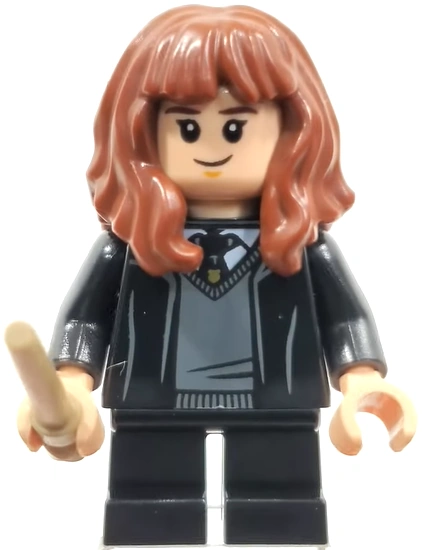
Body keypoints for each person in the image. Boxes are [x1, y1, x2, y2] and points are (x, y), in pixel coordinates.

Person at [14, 5, 416, 548]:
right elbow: (86, 319)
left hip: (275, 404)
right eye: (187, 127)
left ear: (293, 131)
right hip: (154, 404)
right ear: (144, 133)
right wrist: (70, 387)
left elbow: (345, 316)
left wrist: (361, 379)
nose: (212, 148)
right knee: (149, 511)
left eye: (235, 127)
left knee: (280, 511)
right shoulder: (129, 247)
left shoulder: (301, 245)